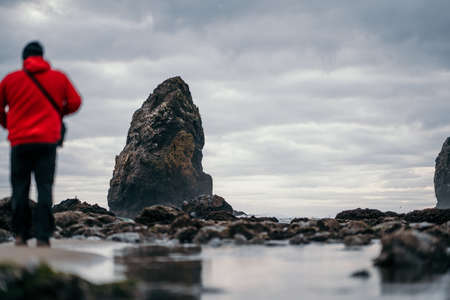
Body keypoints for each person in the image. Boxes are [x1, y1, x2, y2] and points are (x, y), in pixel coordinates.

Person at [0, 41, 81, 247]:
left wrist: (8, 123)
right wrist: (57, 114)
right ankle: (43, 237)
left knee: (20, 188)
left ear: (23, 58)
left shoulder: (11, 80)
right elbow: (75, 102)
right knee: (44, 188)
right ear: (42, 57)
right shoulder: (58, 77)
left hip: (20, 142)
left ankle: (20, 236)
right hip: (47, 142)